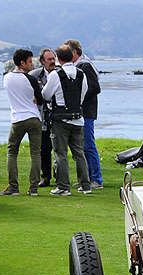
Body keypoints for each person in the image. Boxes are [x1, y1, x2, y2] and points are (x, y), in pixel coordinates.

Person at [42, 44, 90, 196]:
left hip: (61, 119)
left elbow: (46, 95)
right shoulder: (81, 73)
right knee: (79, 154)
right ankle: (85, 185)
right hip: (78, 118)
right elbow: (84, 93)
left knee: (60, 154)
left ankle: (63, 187)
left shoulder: (56, 75)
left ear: (58, 58)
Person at [0, 49, 42, 197]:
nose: (31, 65)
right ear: (22, 63)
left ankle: (14, 187)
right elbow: (40, 99)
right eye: (29, 62)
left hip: (17, 118)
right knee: (35, 153)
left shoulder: (7, 78)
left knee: (12, 151)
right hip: (34, 117)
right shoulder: (31, 79)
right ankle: (33, 187)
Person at [65, 39, 102, 189]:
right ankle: (86, 177)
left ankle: (96, 179)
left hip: (86, 111)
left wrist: (77, 96)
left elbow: (95, 87)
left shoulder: (85, 66)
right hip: (83, 110)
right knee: (81, 145)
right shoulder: (80, 65)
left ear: (74, 52)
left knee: (88, 145)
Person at [30, 48, 57, 187]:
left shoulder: (60, 74)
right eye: (49, 59)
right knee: (44, 149)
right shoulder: (34, 76)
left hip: (59, 117)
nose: (52, 62)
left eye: (53, 59)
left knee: (60, 149)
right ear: (42, 61)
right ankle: (45, 177)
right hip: (42, 118)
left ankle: (60, 177)